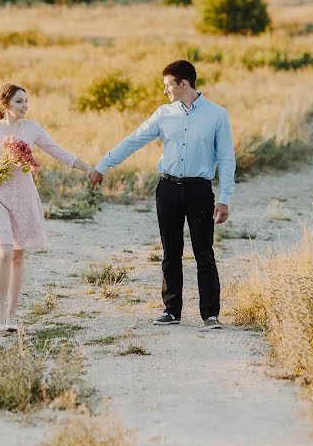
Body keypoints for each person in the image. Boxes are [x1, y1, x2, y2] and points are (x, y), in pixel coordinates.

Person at [89, 60, 235, 330]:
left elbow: (226, 158)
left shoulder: (217, 115)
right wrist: (103, 165)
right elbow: (134, 139)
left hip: (199, 190)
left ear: (183, 84)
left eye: (168, 85)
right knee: (171, 252)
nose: (165, 90)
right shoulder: (163, 114)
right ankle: (172, 310)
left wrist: (225, 197)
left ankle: (210, 314)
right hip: (167, 189)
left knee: (204, 252)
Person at [0, 83, 94, 332]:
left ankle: (12, 314)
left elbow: (56, 151)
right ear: (4, 103)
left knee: (18, 255)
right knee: (4, 251)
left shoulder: (31, 129)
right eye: (19, 101)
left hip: (24, 196)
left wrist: (87, 168)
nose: (24, 106)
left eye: (26, 101)